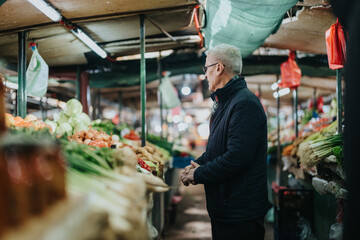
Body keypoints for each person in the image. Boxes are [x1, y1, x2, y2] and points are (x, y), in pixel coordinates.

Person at [181, 44, 268, 240]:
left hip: (240, 213)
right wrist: (199, 164)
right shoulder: (226, 103)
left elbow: (237, 157)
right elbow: (220, 148)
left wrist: (199, 174)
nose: (205, 75)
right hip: (227, 208)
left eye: (206, 68)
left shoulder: (244, 104)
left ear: (219, 68)